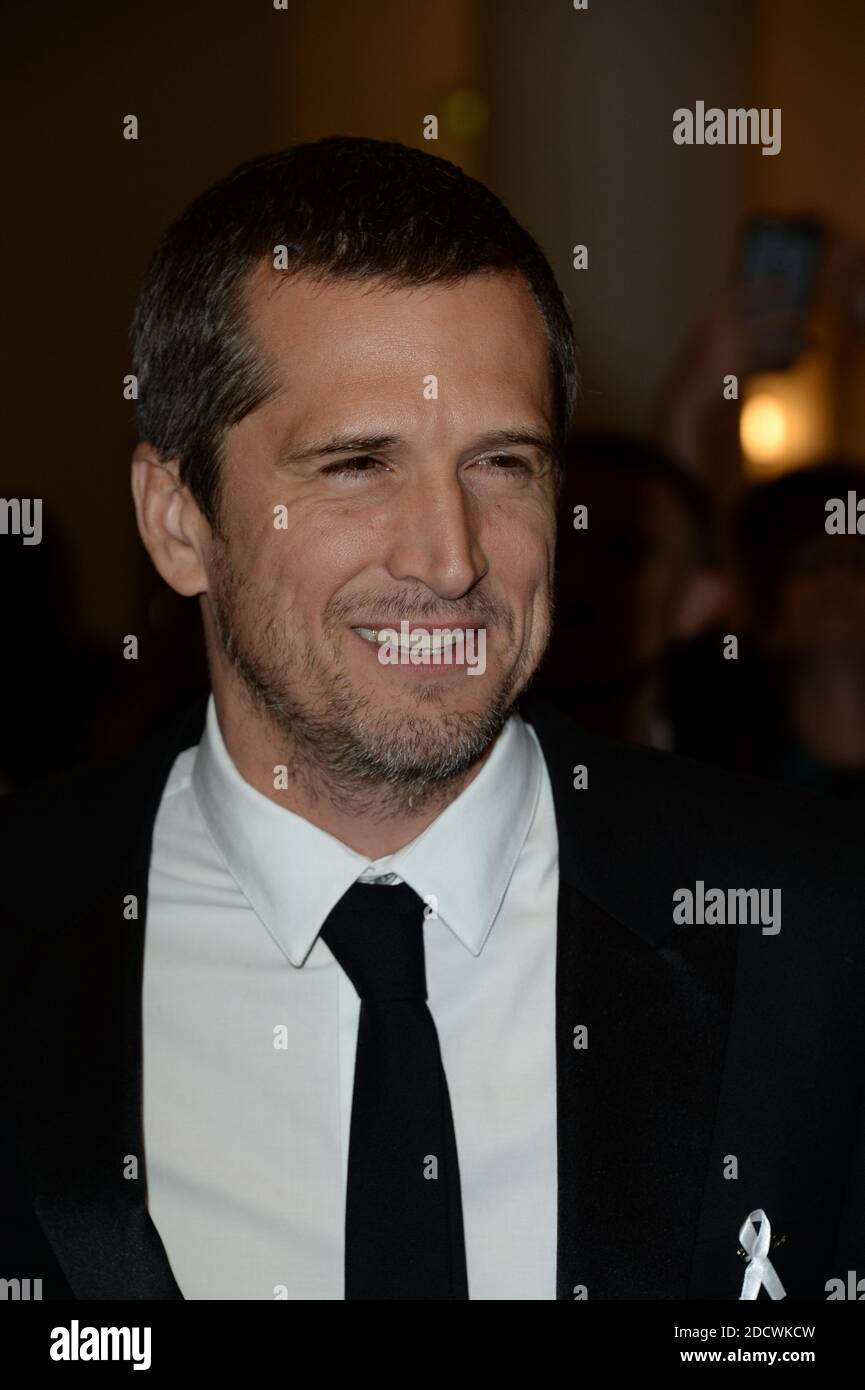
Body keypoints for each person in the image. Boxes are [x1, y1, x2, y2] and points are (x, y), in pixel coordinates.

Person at [1, 137, 863, 1302]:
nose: (452, 560)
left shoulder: (813, 927)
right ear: (176, 521)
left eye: (503, 464)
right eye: (358, 465)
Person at [538, 432, 726, 750]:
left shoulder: (735, 780)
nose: (580, 576)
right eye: (560, 544)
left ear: (699, 600)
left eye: (625, 554)